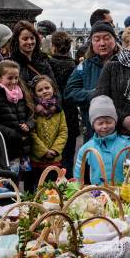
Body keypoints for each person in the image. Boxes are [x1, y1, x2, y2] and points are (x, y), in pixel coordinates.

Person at [65, 23, 118, 141]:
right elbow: (69, 93)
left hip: (121, 130)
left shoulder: (125, 64)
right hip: (92, 131)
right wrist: (93, 95)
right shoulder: (84, 66)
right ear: (91, 43)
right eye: (97, 39)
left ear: (115, 40)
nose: (102, 43)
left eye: (106, 38)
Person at [0, 60, 34, 174]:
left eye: (16, 78)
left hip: (22, 148)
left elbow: (30, 115)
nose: (14, 81)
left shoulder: (21, 93)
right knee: (9, 180)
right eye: (10, 78)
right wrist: (14, 134)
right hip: (6, 148)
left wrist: (29, 125)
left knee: (24, 179)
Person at [73, 96, 130, 185]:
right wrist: (77, 188)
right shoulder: (87, 148)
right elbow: (78, 174)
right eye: (100, 123)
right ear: (93, 125)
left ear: (115, 122)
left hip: (123, 193)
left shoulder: (126, 145)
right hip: (98, 194)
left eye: (109, 122)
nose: (105, 126)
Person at [27, 75, 67, 191]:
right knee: (37, 189)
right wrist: (44, 151)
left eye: (47, 88)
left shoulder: (59, 111)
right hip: (37, 160)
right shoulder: (32, 110)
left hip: (55, 159)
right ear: (34, 94)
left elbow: (63, 131)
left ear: (53, 89)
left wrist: (55, 149)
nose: (44, 91)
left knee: (54, 189)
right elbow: (32, 133)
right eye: (40, 90)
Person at [48, 31, 79, 177]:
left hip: (52, 112)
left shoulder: (48, 64)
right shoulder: (74, 65)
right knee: (68, 156)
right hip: (70, 113)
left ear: (53, 46)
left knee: (52, 155)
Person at [9, 20, 55, 86]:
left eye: (32, 38)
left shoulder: (44, 61)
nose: (30, 42)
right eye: (25, 39)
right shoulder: (10, 64)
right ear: (17, 41)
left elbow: (54, 87)